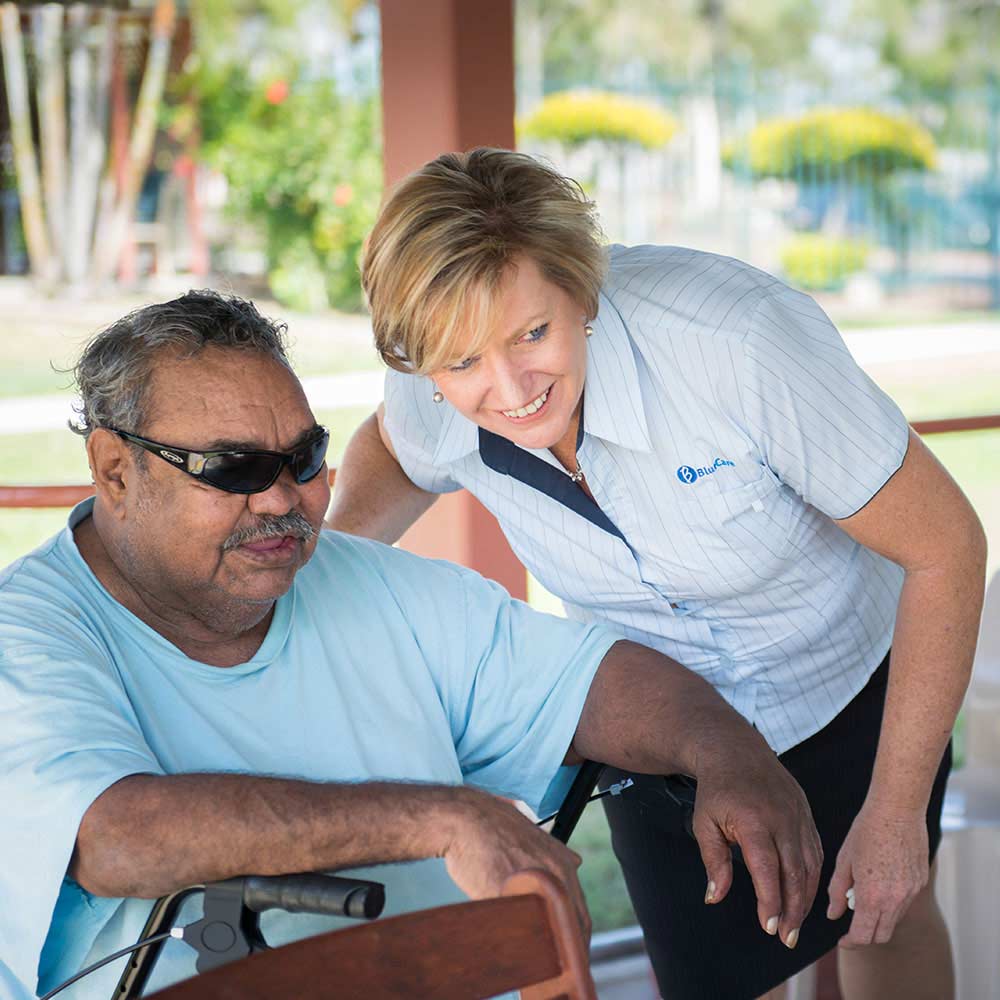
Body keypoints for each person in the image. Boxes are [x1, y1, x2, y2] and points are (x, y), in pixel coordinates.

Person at [0, 291, 821, 1000]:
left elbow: (592, 680)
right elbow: (113, 835)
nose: (285, 499)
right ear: (113, 469)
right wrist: (443, 819)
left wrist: (727, 754)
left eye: (305, 457)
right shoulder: (28, 634)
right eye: (236, 470)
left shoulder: (370, 584)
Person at [327, 148, 988, 1000]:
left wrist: (895, 813)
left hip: (849, 684)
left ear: (582, 289)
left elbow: (947, 547)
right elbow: (391, 444)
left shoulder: (736, 340)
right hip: (661, 722)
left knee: (881, 914)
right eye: (461, 364)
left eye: (533, 333)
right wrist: (332, 561)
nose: (510, 388)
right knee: (711, 977)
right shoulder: (432, 384)